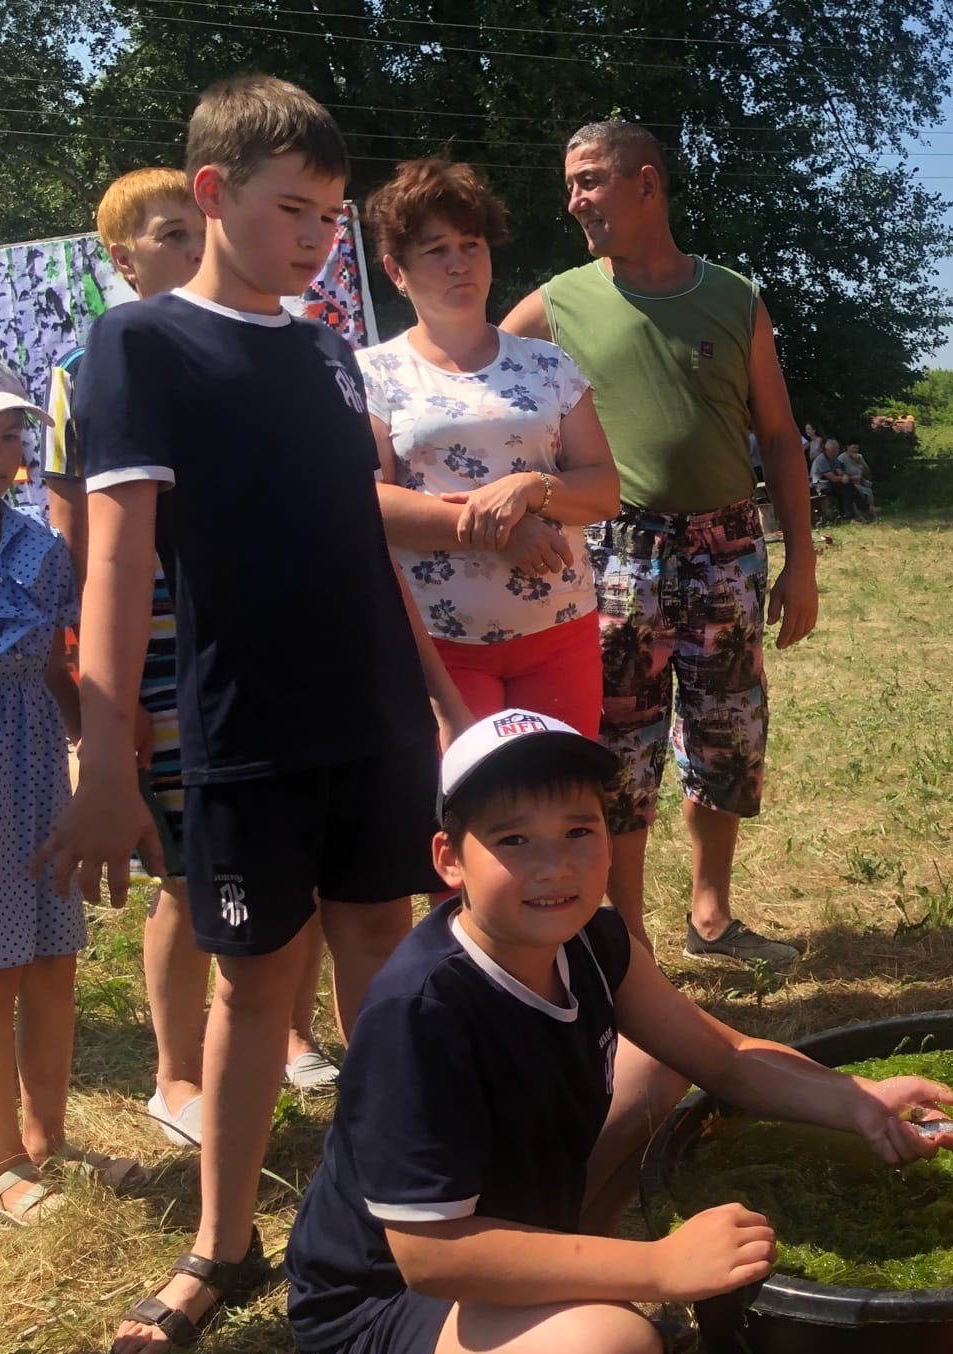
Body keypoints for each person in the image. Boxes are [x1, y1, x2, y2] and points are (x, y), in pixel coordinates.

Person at [37, 75, 471, 1354]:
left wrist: (444, 699)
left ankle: (402, 1223)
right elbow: (118, 563)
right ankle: (224, 1245)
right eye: (297, 210)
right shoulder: (140, 344)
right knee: (252, 989)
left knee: (386, 959)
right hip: (246, 727)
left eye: (335, 219)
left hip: (377, 716)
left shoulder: (329, 347)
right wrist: (107, 762)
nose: (319, 239)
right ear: (215, 194)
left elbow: (360, 537)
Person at [285, 708, 953, 1354]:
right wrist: (659, 1267)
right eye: (513, 840)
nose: (555, 867)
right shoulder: (422, 1012)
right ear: (450, 861)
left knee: (653, 1067)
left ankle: (571, 1307)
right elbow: (430, 1256)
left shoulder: (594, 938)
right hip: (382, 1304)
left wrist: (858, 1101)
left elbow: (722, 1055)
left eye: (579, 831)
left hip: (503, 1235)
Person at [41, 167, 339, 1154]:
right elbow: (83, 548)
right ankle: (174, 1074)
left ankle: (290, 1032)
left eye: (192, 228)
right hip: (159, 649)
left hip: (264, 639)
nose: (188, 246)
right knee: (183, 867)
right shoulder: (90, 371)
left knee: (290, 848)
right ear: (122, 260)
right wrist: (103, 710)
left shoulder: (275, 353)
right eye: (168, 234)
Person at [502, 119, 816, 975]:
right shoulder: (555, 304)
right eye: (571, 184)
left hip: (727, 550)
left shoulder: (733, 297)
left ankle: (711, 918)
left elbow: (782, 438)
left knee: (727, 737)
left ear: (648, 183)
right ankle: (628, 943)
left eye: (592, 180)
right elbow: (484, 396)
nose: (575, 201)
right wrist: (527, 503)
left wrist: (803, 564)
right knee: (617, 750)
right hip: (610, 555)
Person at [360, 158, 620, 735]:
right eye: (435, 250)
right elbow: (364, 503)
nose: (458, 263)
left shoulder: (549, 366)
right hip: (437, 644)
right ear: (395, 271)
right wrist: (504, 527)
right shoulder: (370, 376)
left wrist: (530, 488)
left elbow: (604, 490)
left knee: (557, 797)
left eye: (471, 244)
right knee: (466, 811)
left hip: (561, 630)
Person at [0, 360, 137, 1224]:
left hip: (36, 764)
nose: (19, 442)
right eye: (4, 430)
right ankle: (1, 1159)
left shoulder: (40, 546)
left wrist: (95, 746)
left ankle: (51, 1140)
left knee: (51, 957)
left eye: (17, 427)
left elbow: (54, 663)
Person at [812, 437, 862, 521]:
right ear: (829, 450)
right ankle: (858, 511)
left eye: (837, 450)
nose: (837, 452)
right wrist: (843, 479)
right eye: (835, 450)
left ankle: (849, 515)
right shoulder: (821, 460)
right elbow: (833, 478)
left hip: (830, 484)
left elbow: (839, 471)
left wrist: (844, 476)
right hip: (820, 486)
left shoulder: (834, 459)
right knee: (847, 488)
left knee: (847, 488)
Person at [839, 441, 877, 519]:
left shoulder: (859, 457)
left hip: (861, 482)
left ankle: (871, 514)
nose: (855, 450)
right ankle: (860, 516)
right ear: (848, 448)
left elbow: (867, 473)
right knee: (863, 492)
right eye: (853, 448)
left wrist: (861, 462)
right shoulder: (842, 458)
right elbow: (841, 475)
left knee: (868, 491)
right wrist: (852, 478)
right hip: (850, 484)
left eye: (857, 448)